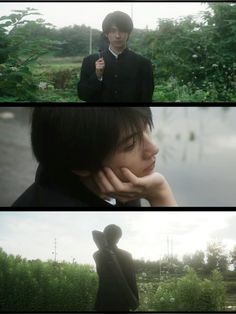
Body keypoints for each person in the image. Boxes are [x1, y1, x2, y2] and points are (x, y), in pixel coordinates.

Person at [12, 107, 177, 207]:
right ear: (81, 164)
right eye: (130, 144)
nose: (154, 149)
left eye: (146, 129)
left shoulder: (123, 187)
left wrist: (158, 190)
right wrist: (160, 194)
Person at [78, 11, 154, 102]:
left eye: (122, 31)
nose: (117, 36)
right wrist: (97, 75)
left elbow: (146, 99)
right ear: (106, 33)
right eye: (113, 31)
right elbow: (83, 95)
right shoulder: (90, 61)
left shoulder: (143, 64)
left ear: (128, 33)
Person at [93, 224, 139, 312]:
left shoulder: (97, 255)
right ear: (119, 237)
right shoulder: (126, 255)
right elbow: (131, 280)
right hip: (121, 300)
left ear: (104, 235)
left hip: (103, 300)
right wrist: (134, 300)